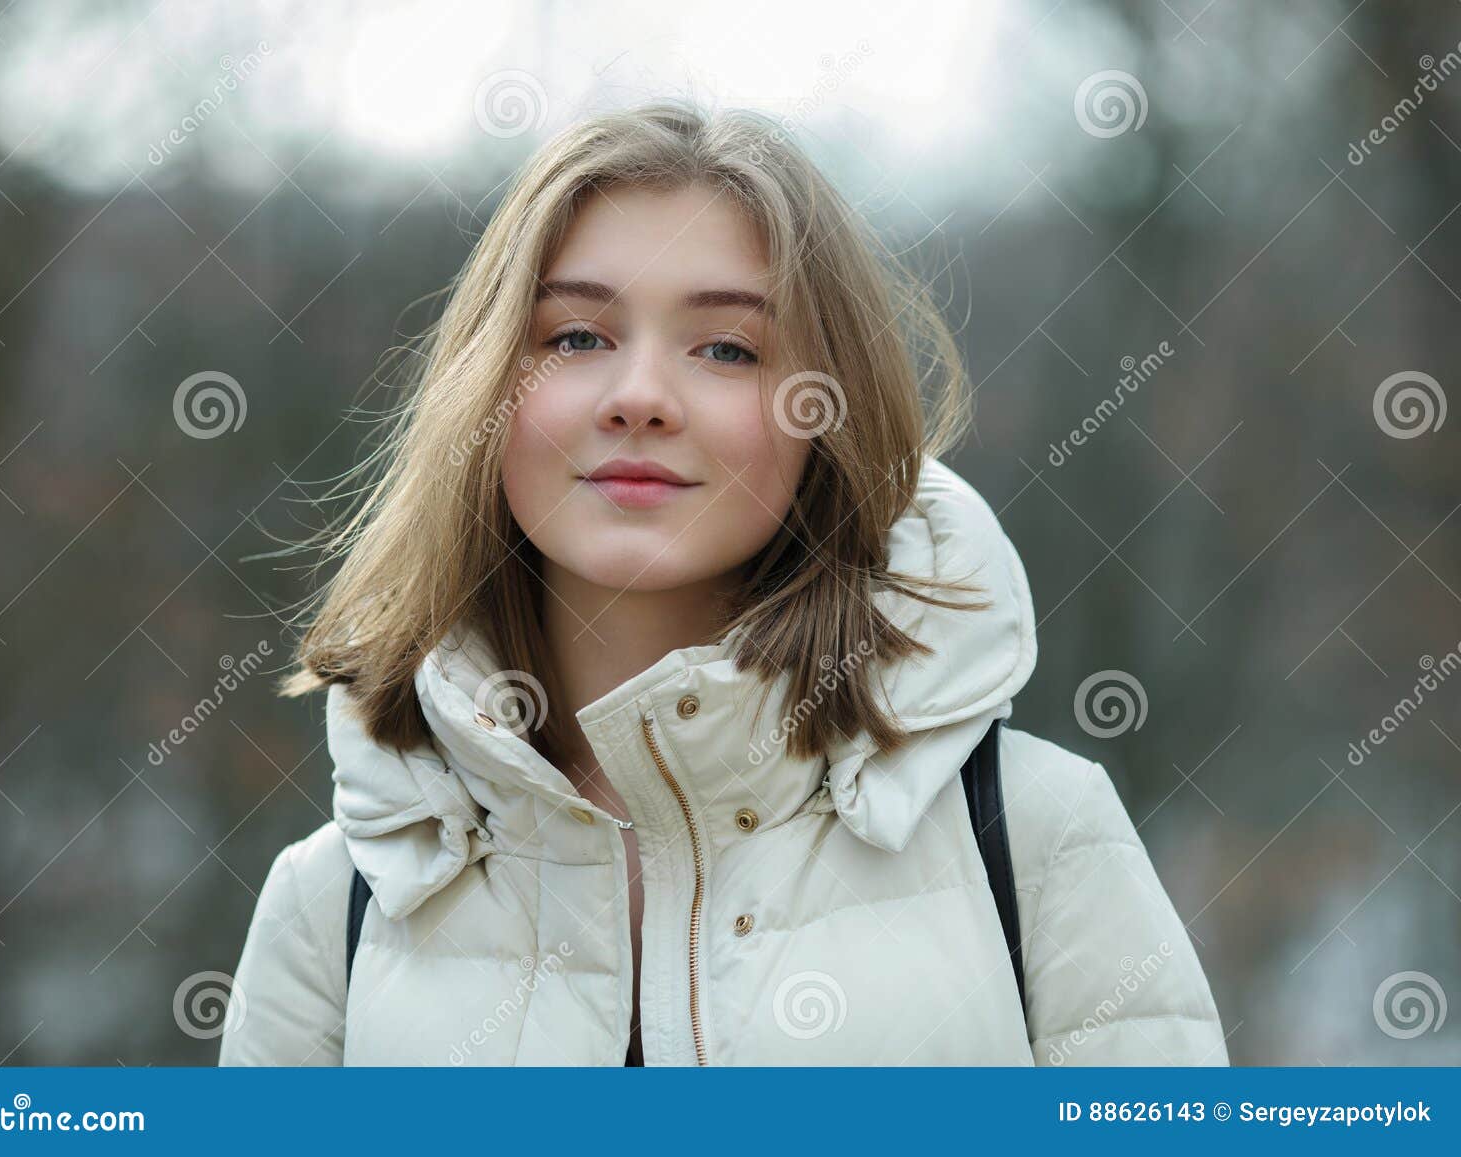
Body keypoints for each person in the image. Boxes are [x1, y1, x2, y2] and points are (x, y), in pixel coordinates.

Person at [217, 101, 1227, 1067]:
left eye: (727, 348)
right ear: (484, 390)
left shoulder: (1033, 835)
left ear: (824, 412)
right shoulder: (335, 906)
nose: (642, 397)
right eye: (576, 335)